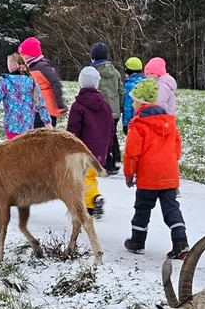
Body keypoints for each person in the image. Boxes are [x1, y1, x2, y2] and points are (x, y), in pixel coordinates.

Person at [123, 78, 190, 258]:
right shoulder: (169, 123)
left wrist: (129, 174)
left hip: (148, 178)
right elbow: (177, 148)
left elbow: (132, 154)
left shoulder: (138, 126)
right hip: (169, 176)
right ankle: (180, 242)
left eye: (134, 100)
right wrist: (169, 164)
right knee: (172, 209)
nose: (133, 103)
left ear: (142, 102)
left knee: (142, 209)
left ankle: (137, 240)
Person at [67, 66, 114, 220]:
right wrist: (108, 147)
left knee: (82, 179)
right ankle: (90, 206)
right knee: (90, 178)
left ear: (80, 83)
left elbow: (73, 131)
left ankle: (94, 199)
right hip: (100, 151)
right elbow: (111, 129)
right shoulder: (106, 107)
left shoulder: (78, 106)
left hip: (83, 152)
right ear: (97, 84)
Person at [0, 54, 51, 139]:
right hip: (28, 127)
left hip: (12, 126)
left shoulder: (5, 82)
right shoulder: (32, 82)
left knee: (13, 150)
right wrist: (47, 122)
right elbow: (40, 103)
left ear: (11, 66)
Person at [90, 43, 124, 175]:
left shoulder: (93, 72)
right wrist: (119, 106)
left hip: (100, 110)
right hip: (114, 110)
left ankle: (107, 162)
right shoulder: (115, 72)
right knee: (112, 134)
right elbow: (120, 91)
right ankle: (116, 159)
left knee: (102, 136)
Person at [18, 36, 65, 127]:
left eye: (23, 54)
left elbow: (55, 83)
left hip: (44, 111)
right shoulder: (29, 68)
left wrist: (59, 103)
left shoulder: (41, 67)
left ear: (31, 54)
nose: (21, 56)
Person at [122, 56, 145, 136]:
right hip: (146, 119)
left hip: (134, 121)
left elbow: (127, 106)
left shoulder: (128, 85)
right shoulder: (147, 83)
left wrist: (126, 123)